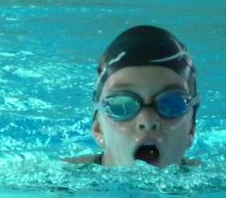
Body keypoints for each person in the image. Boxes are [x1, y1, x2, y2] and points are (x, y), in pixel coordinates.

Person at [66, 25, 200, 167]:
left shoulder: (212, 177)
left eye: (172, 104)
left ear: (191, 129)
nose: (147, 121)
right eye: (123, 105)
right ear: (98, 129)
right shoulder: (63, 177)